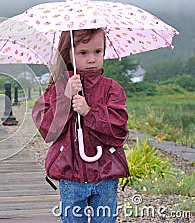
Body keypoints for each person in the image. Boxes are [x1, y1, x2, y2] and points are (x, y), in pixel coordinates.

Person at [32, 28, 130, 222]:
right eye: (83, 53)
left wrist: (89, 112)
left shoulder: (112, 89)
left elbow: (119, 130)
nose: (92, 59)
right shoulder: (59, 88)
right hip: (70, 174)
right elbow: (47, 131)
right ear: (68, 53)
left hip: (106, 173)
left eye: (98, 52)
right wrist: (65, 99)